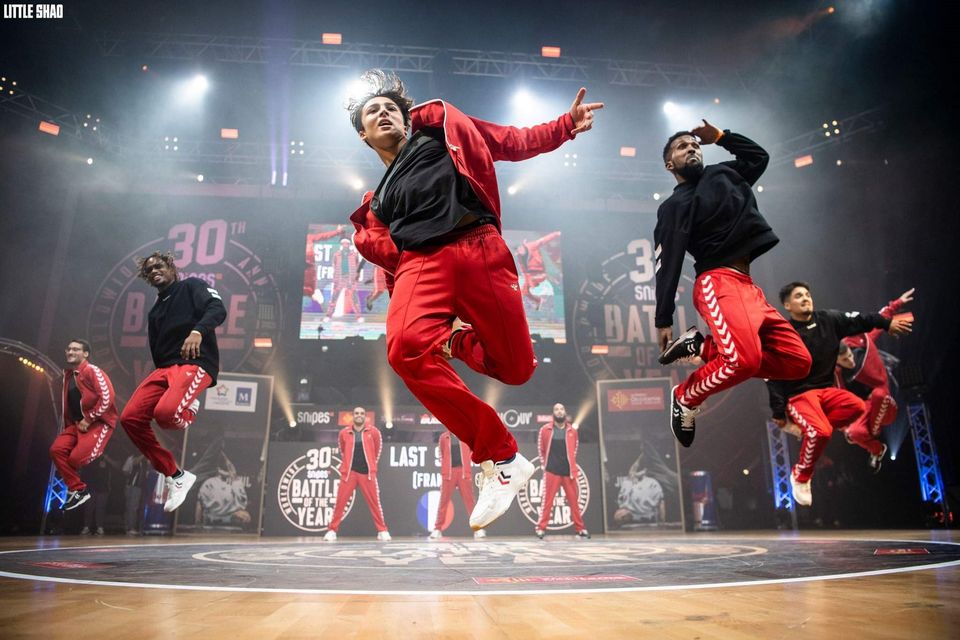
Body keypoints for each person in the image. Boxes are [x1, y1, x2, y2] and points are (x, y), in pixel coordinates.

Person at [346, 69, 603, 530]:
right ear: (364, 136)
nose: (383, 113)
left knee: (517, 370)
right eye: (372, 112)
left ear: (407, 119)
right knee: (404, 349)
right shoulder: (378, 201)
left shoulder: (444, 131)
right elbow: (386, 256)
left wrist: (565, 125)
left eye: (390, 107)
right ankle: (502, 457)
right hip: (424, 263)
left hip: (481, 246)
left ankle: (454, 342)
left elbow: (510, 139)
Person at [654, 121, 812, 447]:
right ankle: (685, 396)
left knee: (798, 362)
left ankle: (701, 348)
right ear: (670, 165)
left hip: (748, 287)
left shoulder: (723, 173)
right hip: (717, 282)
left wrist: (723, 138)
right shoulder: (674, 205)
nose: (691, 148)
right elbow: (667, 262)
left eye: (694, 144)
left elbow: (759, 158)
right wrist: (663, 317)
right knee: (744, 361)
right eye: (682, 147)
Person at [767, 281, 912, 506]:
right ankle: (801, 474)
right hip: (803, 396)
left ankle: (813, 431)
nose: (805, 298)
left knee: (858, 406)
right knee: (833, 431)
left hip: (854, 400)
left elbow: (865, 320)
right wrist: (778, 410)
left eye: (807, 294)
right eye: (798, 296)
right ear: (787, 305)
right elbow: (772, 374)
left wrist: (889, 320)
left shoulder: (830, 320)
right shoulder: (785, 334)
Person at [119, 251, 227, 513]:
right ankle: (176, 475)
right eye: (149, 270)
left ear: (171, 267)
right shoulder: (155, 311)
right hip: (165, 369)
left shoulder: (191, 286)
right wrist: (161, 382)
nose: (155, 270)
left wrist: (197, 331)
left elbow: (217, 308)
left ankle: (187, 408)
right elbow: (157, 350)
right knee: (130, 418)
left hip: (194, 362)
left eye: (159, 265)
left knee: (166, 415)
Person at [836, 288, 914, 472]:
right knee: (855, 433)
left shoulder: (859, 340)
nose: (850, 361)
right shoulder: (834, 373)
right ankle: (878, 450)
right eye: (845, 361)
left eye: (849, 356)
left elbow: (878, 321)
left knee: (879, 394)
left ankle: (875, 431)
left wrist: (897, 303)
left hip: (885, 405)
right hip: (865, 410)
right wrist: (846, 429)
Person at [49, 339, 118, 511]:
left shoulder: (92, 370)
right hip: (77, 425)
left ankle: (79, 486)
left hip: (98, 423)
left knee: (75, 459)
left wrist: (90, 418)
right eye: (69, 349)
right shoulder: (68, 377)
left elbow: (108, 397)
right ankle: (78, 489)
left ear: (86, 354)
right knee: (56, 450)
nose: (70, 352)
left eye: (76, 349)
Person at [324, 407, 391, 542]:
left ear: (365, 416)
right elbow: (343, 450)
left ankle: (382, 530)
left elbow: (377, 449)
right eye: (356, 413)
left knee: (375, 503)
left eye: (361, 414)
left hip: (367, 474)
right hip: (349, 473)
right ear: (353, 416)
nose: (359, 415)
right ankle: (332, 530)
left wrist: (371, 466)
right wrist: (348, 466)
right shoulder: (344, 432)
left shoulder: (374, 431)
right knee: (340, 503)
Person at [535, 403, 589, 539]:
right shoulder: (545, 429)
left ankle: (580, 529)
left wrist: (571, 466)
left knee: (574, 502)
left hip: (568, 472)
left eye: (561, 409)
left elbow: (574, 449)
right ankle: (541, 528)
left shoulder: (572, 431)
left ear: (565, 412)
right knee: (547, 501)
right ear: (553, 413)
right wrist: (544, 464)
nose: (559, 412)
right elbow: (541, 449)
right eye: (556, 409)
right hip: (551, 470)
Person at [428, 431, 485, 540]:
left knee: (470, 501)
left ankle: (477, 528)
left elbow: (473, 451)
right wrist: (446, 469)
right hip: (449, 473)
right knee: (443, 501)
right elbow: (442, 454)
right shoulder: (444, 437)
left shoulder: (467, 436)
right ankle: (437, 529)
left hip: (463, 472)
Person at [514, 231, 562, 310]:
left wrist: (556, 234)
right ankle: (538, 301)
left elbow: (543, 240)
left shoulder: (532, 246)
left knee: (532, 281)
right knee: (524, 292)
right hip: (530, 275)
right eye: (518, 251)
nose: (520, 252)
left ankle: (549, 278)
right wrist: (527, 281)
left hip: (540, 272)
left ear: (523, 246)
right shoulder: (520, 257)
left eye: (520, 250)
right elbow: (524, 270)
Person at [122, 453, 149, 534]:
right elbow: (125, 470)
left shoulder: (146, 461)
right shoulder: (133, 457)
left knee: (133, 507)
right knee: (131, 507)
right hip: (133, 486)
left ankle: (129, 527)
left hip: (140, 487)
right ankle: (130, 528)